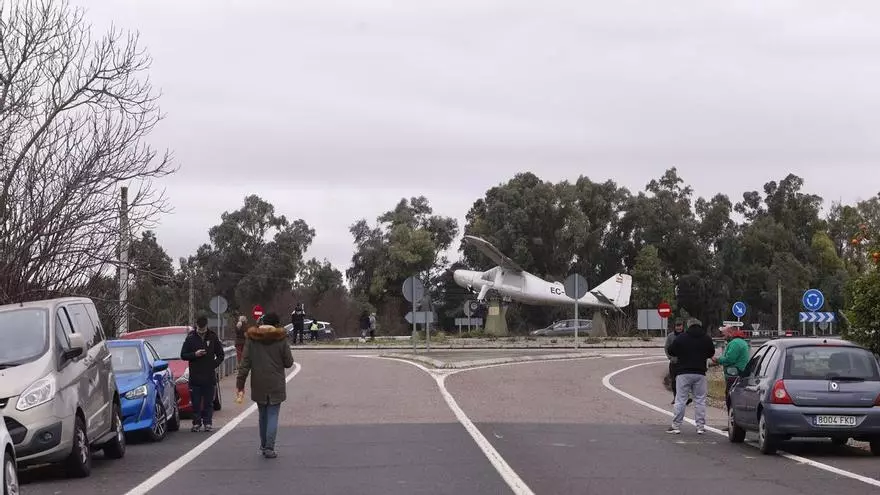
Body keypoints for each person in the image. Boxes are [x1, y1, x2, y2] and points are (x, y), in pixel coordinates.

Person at [236, 312, 294, 458]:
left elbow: (245, 364)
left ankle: (263, 445)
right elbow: (289, 363)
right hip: (276, 383)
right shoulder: (281, 339)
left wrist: (240, 383)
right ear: (276, 324)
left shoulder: (252, 339)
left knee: (262, 415)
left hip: (258, 382)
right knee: (273, 414)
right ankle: (269, 447)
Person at [666, 318, 715, 435]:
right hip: (700, 373)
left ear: (688, 326)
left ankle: (676, 426)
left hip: (683, 372)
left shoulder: (681, 338)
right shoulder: (706, 338)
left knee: (680, 399)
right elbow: (711, 353)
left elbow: (671, 350)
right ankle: (700, 427)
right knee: (700, 400)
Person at [180, 315, 226, 432]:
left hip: (209, 375)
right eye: (199, 330)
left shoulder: (212, 336)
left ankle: (208, 423)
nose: (201, 332)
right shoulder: (190, 338)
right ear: (196, 327)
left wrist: (213, 364)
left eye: (203, 330)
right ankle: (196, 423)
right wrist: (195, 354)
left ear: (206, 326)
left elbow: (221, 354)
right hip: (195, 375)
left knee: (208, 402)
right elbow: (183, 355)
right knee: (195, 402)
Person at [712, 325, 750, 428]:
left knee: (731, 399)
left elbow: (730, 359)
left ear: (730, 332)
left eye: (724, 334)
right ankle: (734, 423)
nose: (723, 336)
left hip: (734, 375)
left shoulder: (735, 343)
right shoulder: (741, 342)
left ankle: (733, 424)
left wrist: (717, 360)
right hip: (739, 373)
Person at [664, 322, 685, 405]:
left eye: (680, 326)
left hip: (684, 363)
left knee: (684, 381)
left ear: (683, 327)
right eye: (677, 326)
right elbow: (666, 347)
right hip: (673, 362)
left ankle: (683, 397)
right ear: (675, 327)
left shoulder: (686, 335)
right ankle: (675, 397)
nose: (678, 328)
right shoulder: (670, 336)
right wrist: (670, 357)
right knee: (674, 381)